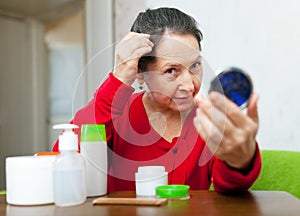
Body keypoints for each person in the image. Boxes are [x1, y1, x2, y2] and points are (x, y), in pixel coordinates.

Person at [53, 7, 261, 193]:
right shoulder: (116, 112)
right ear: (140, 73)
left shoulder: (208, 120)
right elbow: (65, 158)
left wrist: (240, 160)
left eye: (195, 65)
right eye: (171, 71)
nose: (190, 86)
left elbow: (230, 186)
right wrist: (118, 78)